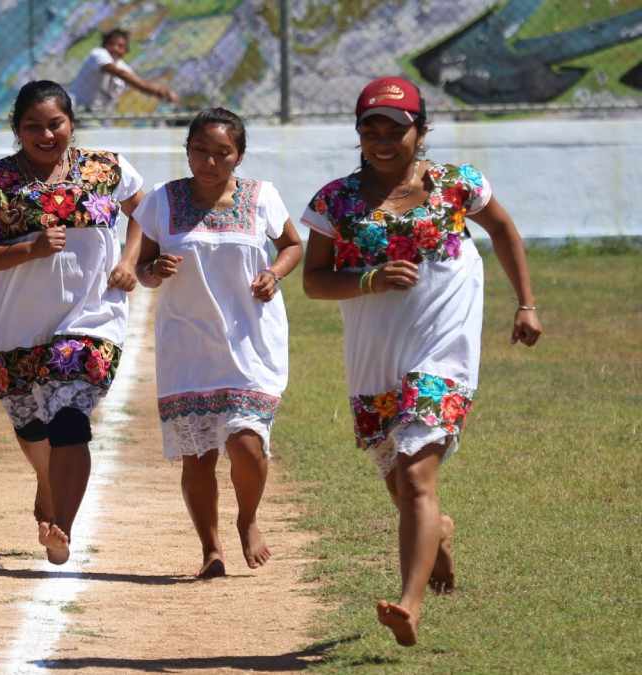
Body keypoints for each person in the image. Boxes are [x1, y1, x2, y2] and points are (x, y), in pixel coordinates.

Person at [300, 76, 542, 646]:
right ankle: (440, 535)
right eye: (370, 129)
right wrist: (370, 277)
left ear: (421, 130)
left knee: (415, 474)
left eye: (396, 128)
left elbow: (503, 228)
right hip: (374, 359)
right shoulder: (334, 199)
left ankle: (408, 606)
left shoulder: (458, 185)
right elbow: (313, 282)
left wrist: (526, 304)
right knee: (403, 482)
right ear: (358, 134)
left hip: (444, 352)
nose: (383, 140)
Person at [0, 80, 144, 565]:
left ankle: (62, 525)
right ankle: (47, 483)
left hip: (93, 317)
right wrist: (30, 247)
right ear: (16, 129)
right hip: (18, 326)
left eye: (55, 124)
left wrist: (130, 260)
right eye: (32, 127)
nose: (45, 135)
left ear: (71, 123)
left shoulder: (107, 168)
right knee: (31, 426)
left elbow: (146, 212)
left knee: (70, 419)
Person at [133, 108, 302, 578]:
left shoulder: (262, 196)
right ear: (187, 151)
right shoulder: (162, 202)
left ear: (239, 156)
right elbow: (144, 268)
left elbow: (293, 245)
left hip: (251, 342)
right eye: (200, 151)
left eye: (221, 153)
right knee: (199, 455)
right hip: (189, 346)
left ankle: (247, 519)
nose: (209, 162)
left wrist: (274, 272)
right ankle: (211, 549)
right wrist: (154, 270)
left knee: (248, 444)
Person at [68, 28, 180, 112]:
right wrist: (158, 91)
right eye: (111, 44)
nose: (115, 48)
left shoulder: (123, 67)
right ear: (104, 45)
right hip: (76, 109)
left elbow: (139, 84)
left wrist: (164, 92)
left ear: (126, 51)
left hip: (98, 113)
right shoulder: (98, 54)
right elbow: (121, 74)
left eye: (120, 46)